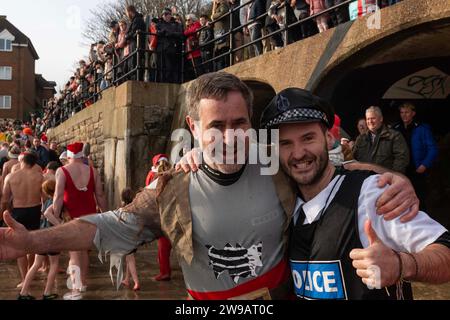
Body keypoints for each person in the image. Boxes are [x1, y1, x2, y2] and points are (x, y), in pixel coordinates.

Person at [0, 73, 420, 300]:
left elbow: (329, 166)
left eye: (239, 123)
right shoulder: (172, 188)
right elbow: (105, 224)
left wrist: (393, 178)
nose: (229, 135)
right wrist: (33, 241)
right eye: (216, 125)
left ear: (251, 125)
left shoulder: (272, 161)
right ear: (193, 128)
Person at [259, 88, 450, 299]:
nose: (298, 153)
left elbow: (445, 253)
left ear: (328, 138)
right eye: (285, 143)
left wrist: (401, 264)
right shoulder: (282, 205)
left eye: (308, 138)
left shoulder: (370, 194)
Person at [52, 142, 107, 299]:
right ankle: (83, 283)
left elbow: (58, 195)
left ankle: (76, 290)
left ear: (68, 156)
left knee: (74, 254)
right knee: (84, 251)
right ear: (82, 155)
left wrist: (55, 215)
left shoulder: (62, 171)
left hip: (72, 217)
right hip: (90, 216)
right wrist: (106, 213)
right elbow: (100, 195)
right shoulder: (92, 170)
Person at [1, 152, 43, 288]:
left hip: (19, 211)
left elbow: (5, 199)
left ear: (22, 161)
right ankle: (31, 273)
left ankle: (25, 278)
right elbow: (45, 196)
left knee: (19, 245)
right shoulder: (39, 176)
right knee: (32, 243)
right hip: (35, 210)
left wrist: (5, 212)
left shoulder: (11, 177)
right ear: (34, 163)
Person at [18, 179, 61, 300]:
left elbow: (43, 213)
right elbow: (47, 214)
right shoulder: (56, 202)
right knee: (54, 264)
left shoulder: (46, 201)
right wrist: (61, 226)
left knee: (36, 264)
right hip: (52, 236)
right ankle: (47, 293)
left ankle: (24, 292)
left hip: (41, 235)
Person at [394, 102, 438, 211]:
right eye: (402, 112)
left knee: (419, 201)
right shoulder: (396, 128)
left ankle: (423, 225)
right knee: (402, 201)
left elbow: (433, 149)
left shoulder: (422, 129)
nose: (404, 115)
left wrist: (424, 165)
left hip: (417, 171)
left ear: (413, 113)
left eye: (407, 112)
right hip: (401, 171)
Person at [353, 106, 410, 173]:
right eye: (368, 119)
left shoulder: (394, 136)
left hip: (384, 180)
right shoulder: (361, 138)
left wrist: (392, 176)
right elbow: (353, 158)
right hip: (364, 179)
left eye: (373, 118)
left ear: (381, 119)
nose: (370, 121)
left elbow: (402, 159)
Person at [145, 154, 172, 281]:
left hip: (159, 211)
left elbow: (148, 193)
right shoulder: (173, 173)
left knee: (162, 242)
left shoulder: (152, 175)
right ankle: (164, 263)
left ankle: (164, 271)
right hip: (173, 210)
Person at [120, 188, 140, 291]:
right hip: (135, 237)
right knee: (129, 259)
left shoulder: (123, 209)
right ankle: (127, 279)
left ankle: (136, 282)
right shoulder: (135, 208)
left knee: (130, 260)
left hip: (127, 238)